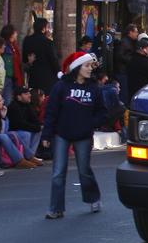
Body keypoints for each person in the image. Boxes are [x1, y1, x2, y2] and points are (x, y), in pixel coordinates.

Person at [42, 52, 107, 219]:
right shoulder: (61, 87)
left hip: (83, 135)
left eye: (90, 66)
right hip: (61, 133)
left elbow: (102, 112)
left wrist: (91, 123)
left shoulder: (94, 88)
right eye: (86, 66)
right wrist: (46, 135)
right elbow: (51, 112)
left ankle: (93, 198)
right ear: (77, 68)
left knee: (84, 170)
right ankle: (56, 208)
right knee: (58, 172)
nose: (89, 69)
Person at [0, 91, 39, 169]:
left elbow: (5, 130)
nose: (3, 102)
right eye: (0, 100)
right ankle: (19, 161)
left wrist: (3, 117)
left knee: (14, 133)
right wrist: (2, 134)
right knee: (4, 136)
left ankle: (29, 156)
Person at [22, 17, 59, 94]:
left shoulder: (27, 40)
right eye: (47, 27)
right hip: (48, 77)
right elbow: (53, 60)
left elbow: (25, 59)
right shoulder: (48, 42)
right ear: (43, 28)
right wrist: (59, 72)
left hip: (33, 76)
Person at [8, 85, 44, 159]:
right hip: (15, 131)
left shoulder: (27, 105)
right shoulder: (13, 106)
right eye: (26, 94)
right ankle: (25, 156)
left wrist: (39, 126)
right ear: (19, 97)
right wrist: (36, 127)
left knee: (39, 130)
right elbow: (19, 124)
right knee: (26, 134)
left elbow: (34, 119)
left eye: (29, 93)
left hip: (25, 128)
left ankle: (31, 155)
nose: (29, 95)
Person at [0, 24, 25, 104]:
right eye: (15, 32)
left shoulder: (13, 46)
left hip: (12, 77)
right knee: (5, 100)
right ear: (11, 34)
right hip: (6, 77)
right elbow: (9, 64)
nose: (16, 34)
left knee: (8, 100)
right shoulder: (6, 47)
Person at [126, 36, 148, 104]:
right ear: (143, 49)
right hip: (142, 89)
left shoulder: (132, 58)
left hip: (133, 90)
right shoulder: (145, 61)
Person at [114, 24, 139, 102]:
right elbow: (119, 55)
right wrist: (132, 60)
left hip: (126, 70)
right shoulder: (124, 42)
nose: (137, 34)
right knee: (123, 92)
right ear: (130, 32)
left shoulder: (131, 41)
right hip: (122, 71)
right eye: (136, 32)